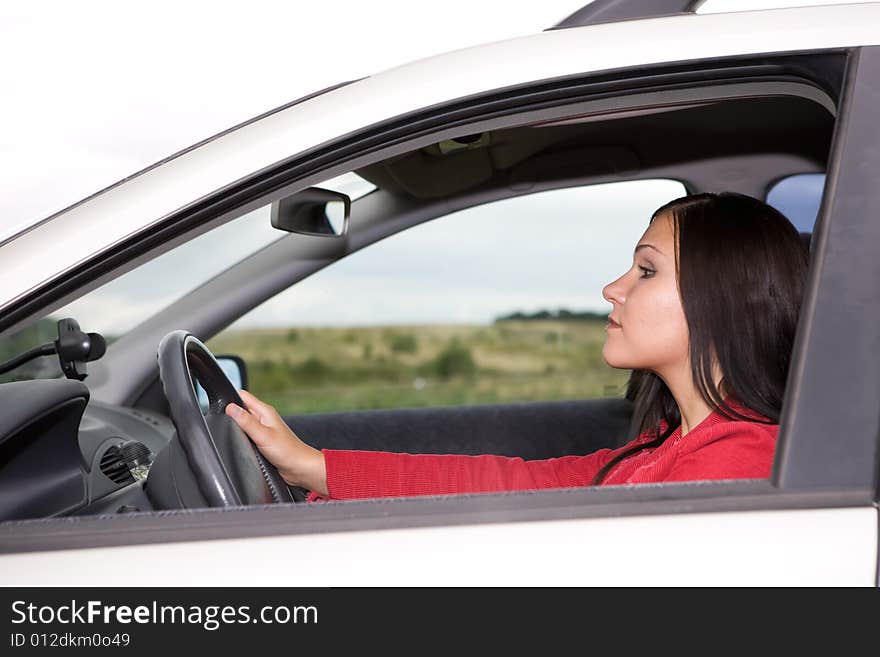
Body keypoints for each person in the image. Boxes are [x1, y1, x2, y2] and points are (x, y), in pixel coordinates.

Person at [225, 192, 809, 501]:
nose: (612, 288)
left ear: (722, 298)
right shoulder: (671, 446)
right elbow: (517, 484)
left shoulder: (731, 464)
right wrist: (316, 467)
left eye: (646, 272)